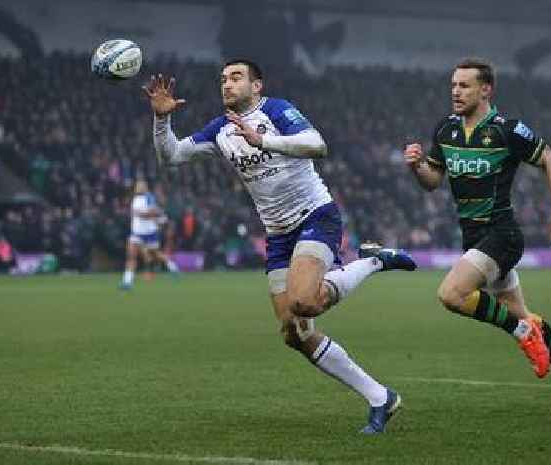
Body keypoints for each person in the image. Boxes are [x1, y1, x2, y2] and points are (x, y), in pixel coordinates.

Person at [143, 59, 416, 433]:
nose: (227, 84)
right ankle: (380, 397)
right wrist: (162, 120)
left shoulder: (276, 110)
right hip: (278, 235)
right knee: (295, 332)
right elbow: (171, 156)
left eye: (236, 77)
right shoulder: (220, 129)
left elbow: (317, 145)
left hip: (315, 216)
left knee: (305, 301)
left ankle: (374, 262)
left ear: (257, 85)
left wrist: (263, 140)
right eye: (223, 79)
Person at [403, 58, 551, 416]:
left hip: (501, 234)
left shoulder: (508, 129)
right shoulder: (445, 130)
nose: (456, 92)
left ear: (486, 89)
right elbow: (432, 182)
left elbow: (550, 161)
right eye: (453, 85)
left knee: (451, 294)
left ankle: (522, 333)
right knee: (520, 312)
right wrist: (418, 166)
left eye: (464, 86)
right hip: (474, 237)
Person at [120, 180, 179, 289]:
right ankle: (127, 282)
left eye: (141, 186)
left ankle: (173, 267)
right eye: (138, 185)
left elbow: (153, 213)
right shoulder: (135, 199)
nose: (138, 187)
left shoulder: (149, 197)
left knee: (155, 254)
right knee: (131, 256)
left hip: (149, 232)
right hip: (136, 232)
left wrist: (139, 214)